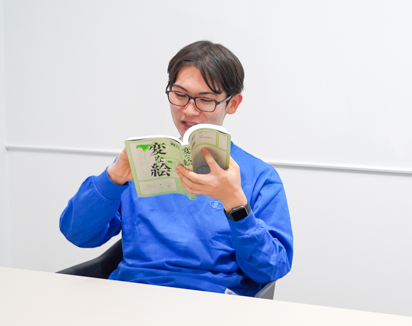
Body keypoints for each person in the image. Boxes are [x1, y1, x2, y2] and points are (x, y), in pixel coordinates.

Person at [60, 41, 293, 296]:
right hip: (133, 296)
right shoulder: (143, 161)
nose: (189, 110)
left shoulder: (260, 177)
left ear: (233, 103)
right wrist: (113, 178)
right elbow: (78, 234)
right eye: (180, 95)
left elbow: (270, 269)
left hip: (212, 304)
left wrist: (235, 204)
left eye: (206, 100)